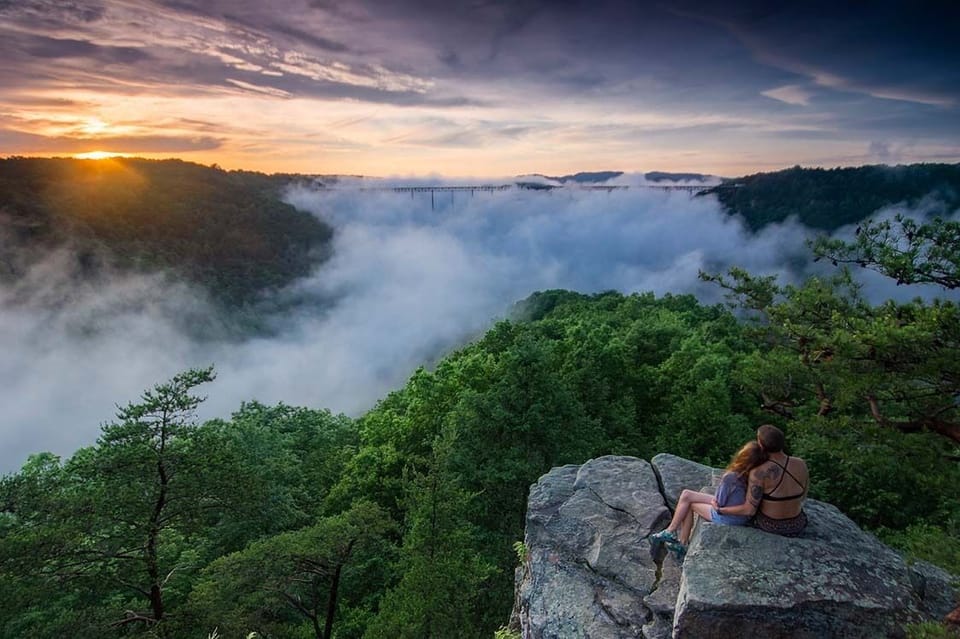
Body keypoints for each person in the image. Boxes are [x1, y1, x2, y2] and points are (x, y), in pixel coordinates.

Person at [650, 440, 767, 559]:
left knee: (691, 504)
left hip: (729, 516)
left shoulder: (731, 477)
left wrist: (714, 500)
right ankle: (671, 532)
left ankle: (681, 542)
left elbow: (719, 503)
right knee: (686, 494)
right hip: (741, 513)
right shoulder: (756, 476)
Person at [716, 424, 809, 537]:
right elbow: (803, 495)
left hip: (770, 525)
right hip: (797, 524)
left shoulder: (759, 472)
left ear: (760, 444)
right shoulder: (800, 463)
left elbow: (749, 510)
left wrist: (721, 510)